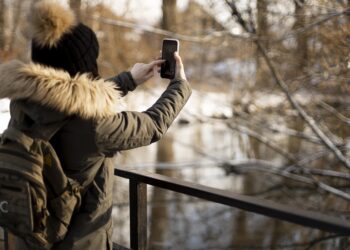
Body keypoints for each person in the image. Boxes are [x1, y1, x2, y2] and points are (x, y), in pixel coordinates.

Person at [0, 1, 191, 249]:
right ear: (85, 67)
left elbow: (67, 99)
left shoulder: (22, 105)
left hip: (26, 237)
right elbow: (153, 125)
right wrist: (179, 85)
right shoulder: (96, 126)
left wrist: (129, 80)